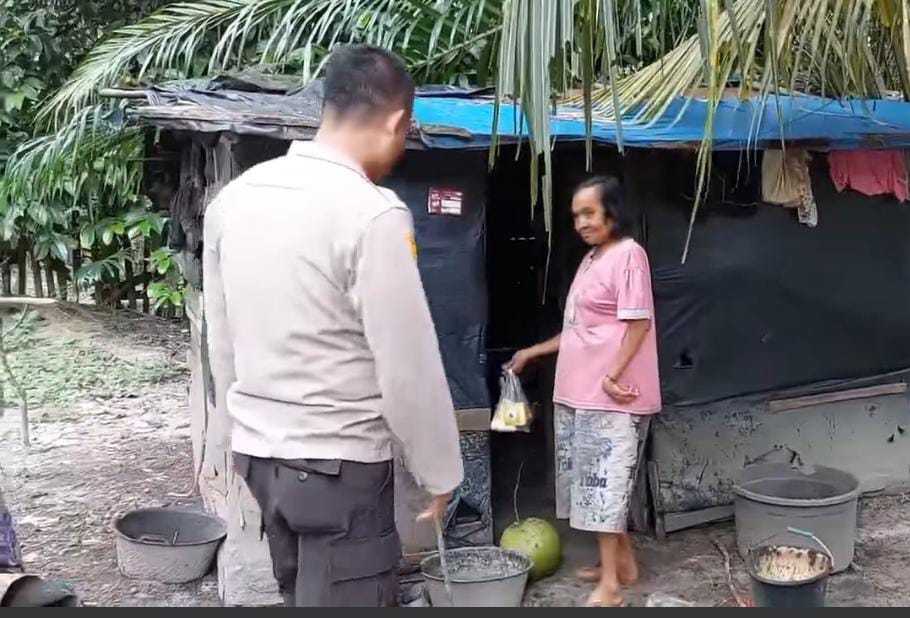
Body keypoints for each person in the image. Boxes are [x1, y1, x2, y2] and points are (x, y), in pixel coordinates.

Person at [202, 45, 463, 607]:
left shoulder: (234, 201)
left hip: (261, 462)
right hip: (338, 469)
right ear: (397, 120)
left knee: (301, 596)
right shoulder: (373, 213)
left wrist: (234, 436)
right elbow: (407, 367)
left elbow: (221, 341)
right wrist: (440, 471)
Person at [509, 176, 661, 607]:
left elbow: (638, 324)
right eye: (576, 215)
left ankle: (611, 586)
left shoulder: (629, 256)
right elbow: (578, 331)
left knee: (607, 488)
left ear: (612, 212)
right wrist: (532, 352)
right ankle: (623, 566)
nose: (581, 222)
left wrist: (612, 374)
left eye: (589, 213)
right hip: (580, 393)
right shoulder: (593, 259)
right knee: (592, 488)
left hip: (614, 396)